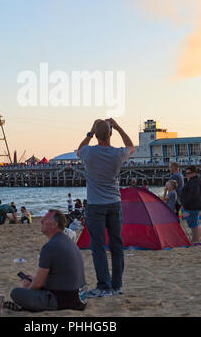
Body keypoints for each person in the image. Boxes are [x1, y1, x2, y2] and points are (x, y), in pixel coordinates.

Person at [77, 118, 135, 297]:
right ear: (110, 134)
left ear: (96, 135)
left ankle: (104, 285)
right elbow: (131, 146)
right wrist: (117, 127)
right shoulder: (118, 154)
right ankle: (117, 285)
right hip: (114, 204)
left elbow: (79, 149)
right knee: (116, 245)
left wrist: (90, 132)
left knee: (98, 246)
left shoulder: (88, 152)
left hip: (96, 205)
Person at [8, 210, 86, 312]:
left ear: (54, 225)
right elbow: (59, 276)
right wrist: (35, 279)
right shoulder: (69, 242)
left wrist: (29, 286)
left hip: (64, 301)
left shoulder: (50, 246)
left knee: (16, 293)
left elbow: (37, 285)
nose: (41, 221)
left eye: (45, 219)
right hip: (81, 299)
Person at [181, 166, 201, 244]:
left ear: (194, 172)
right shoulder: (195, 180)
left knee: (193, 224)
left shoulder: (194, 181)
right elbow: (200, 192)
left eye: (189, 173)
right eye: (186, 173)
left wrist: (186, 202)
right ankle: (196, 239)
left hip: (192, 206)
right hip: (194, 205)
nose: (187, 174)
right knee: (195, 223)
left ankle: (195, 240)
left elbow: (194, 194)